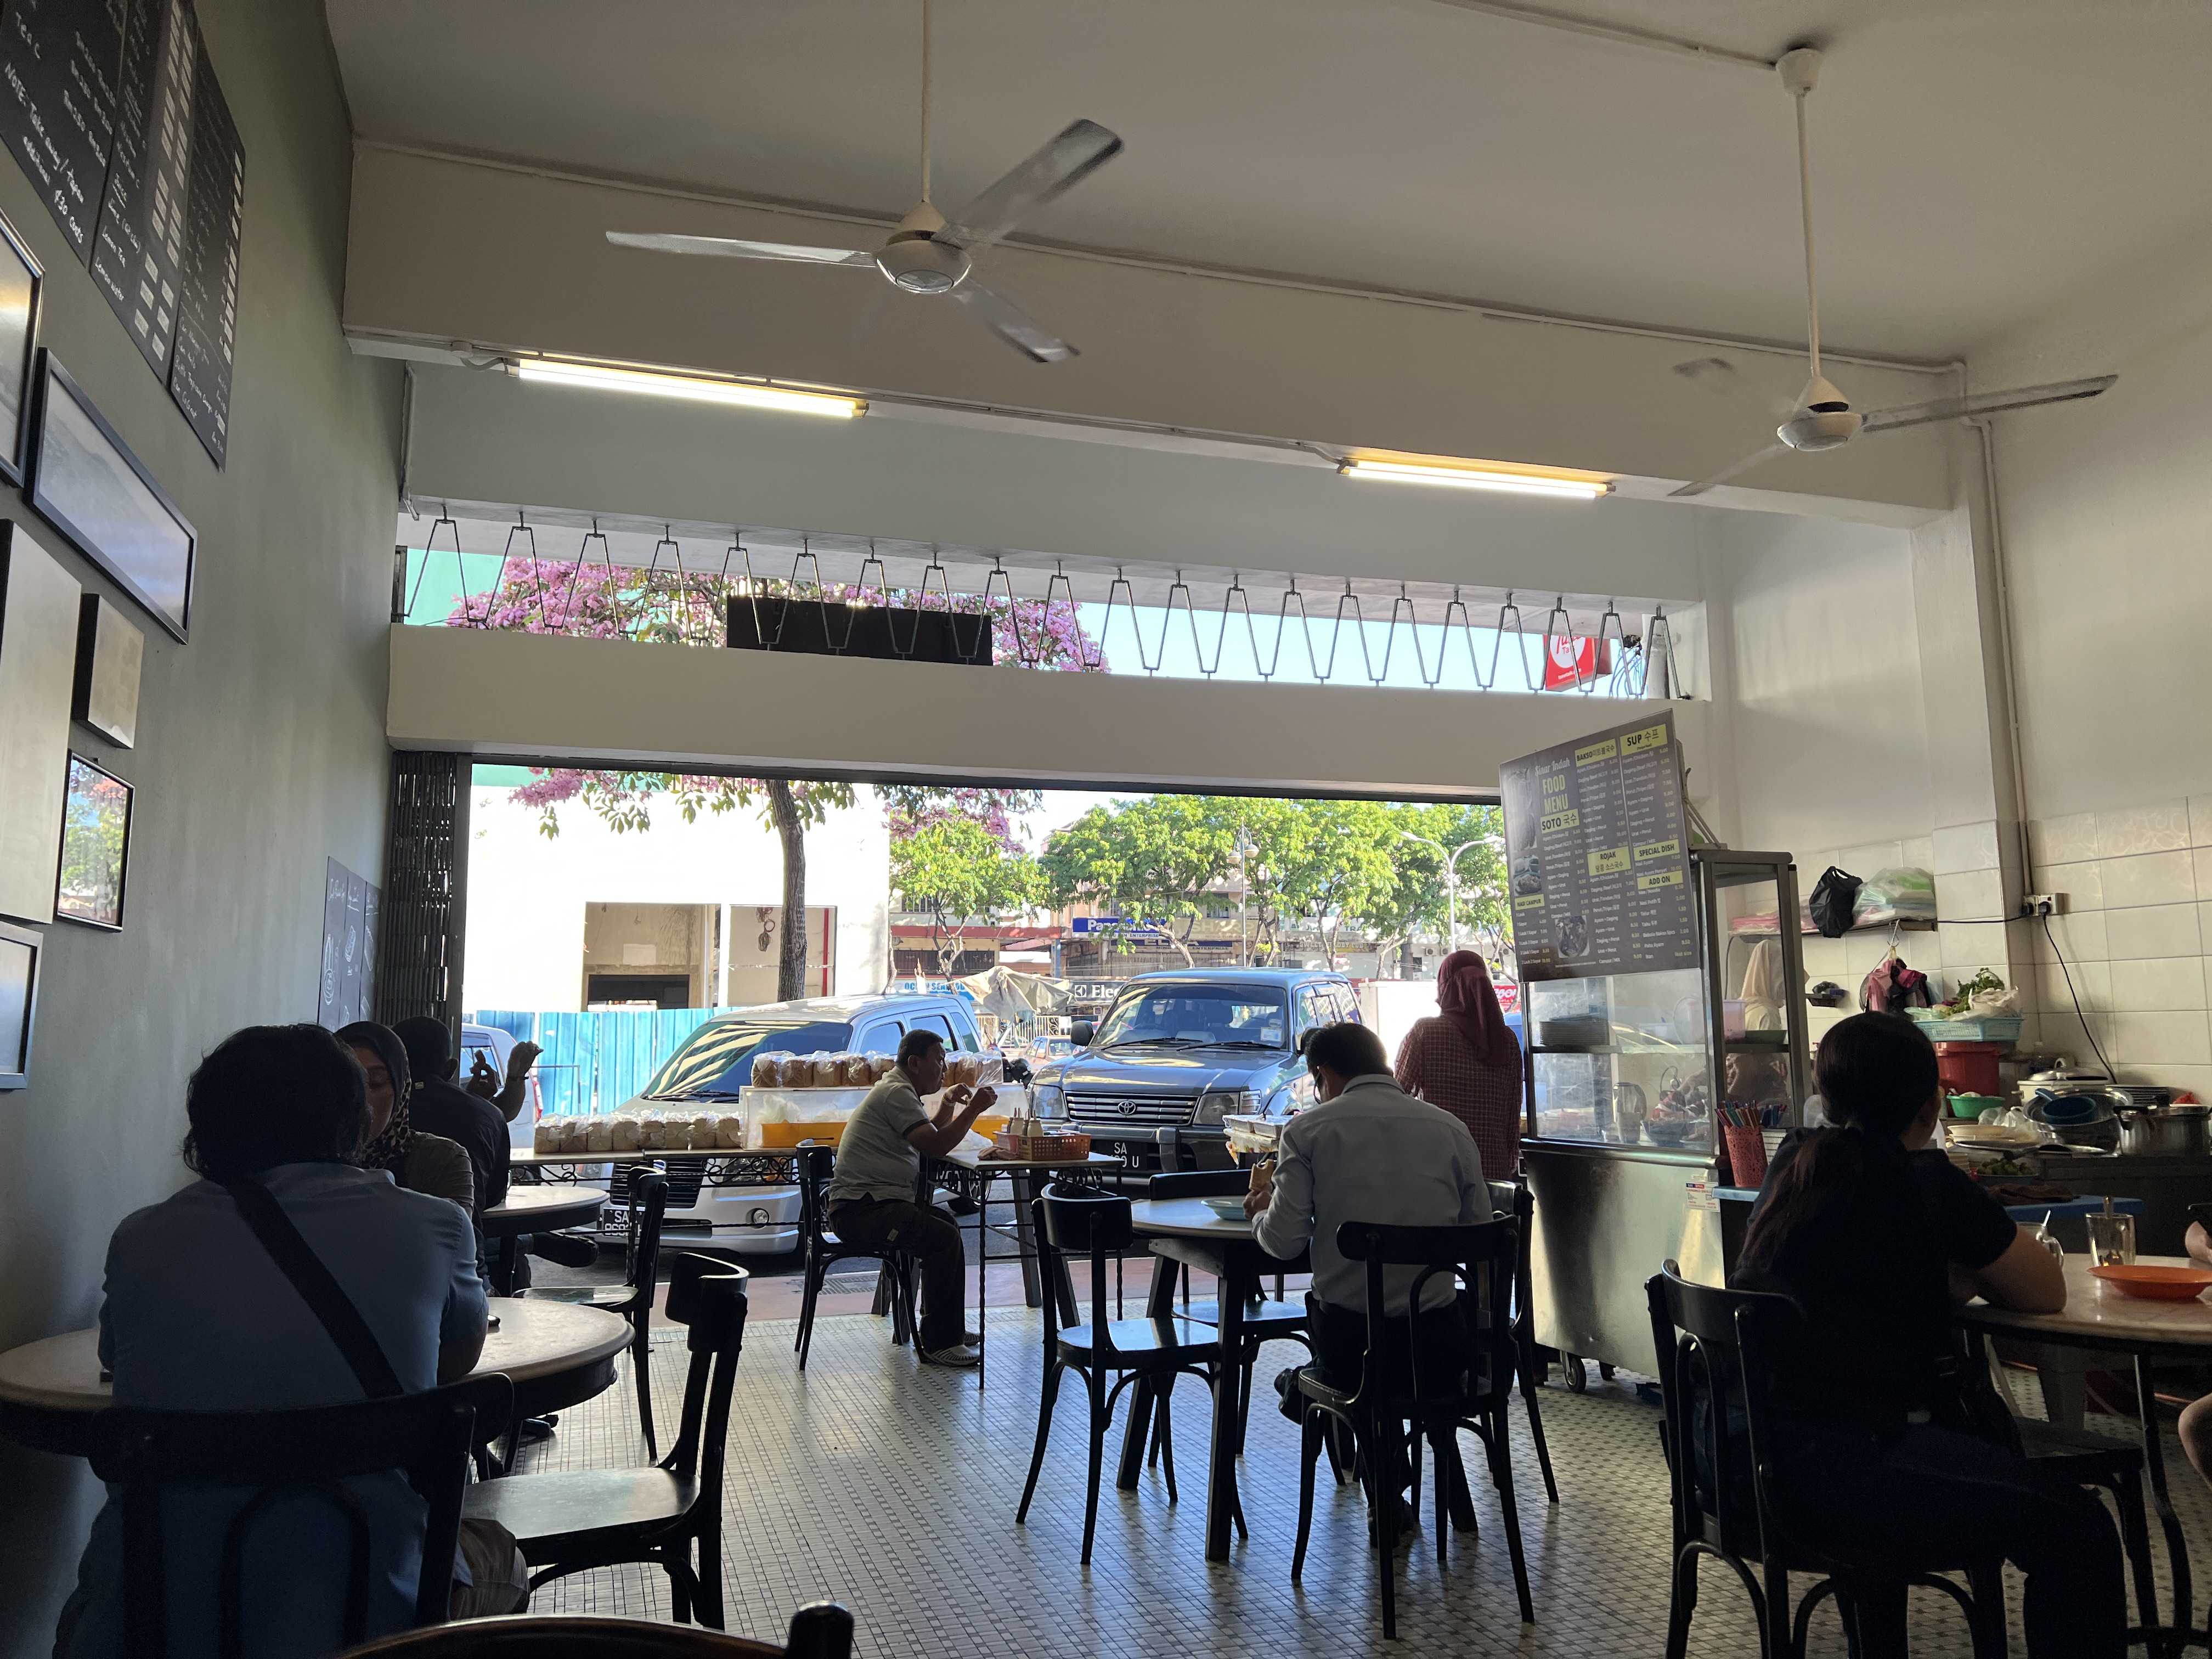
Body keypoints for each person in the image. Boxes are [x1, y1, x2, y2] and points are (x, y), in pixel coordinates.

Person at [56, 1025, 524, 1659]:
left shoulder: (141, 1238)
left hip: (155, 1616)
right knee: (501, 1556)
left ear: (206, 1126)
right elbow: (454, 1362)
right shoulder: (434, 1225)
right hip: (374, 1608)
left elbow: (119, 1362)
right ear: (355, 1119)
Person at [1731, 1012, 2123, 1658]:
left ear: (1825, 1097)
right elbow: (2044, 1291)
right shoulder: (1924, 1180)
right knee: (2078, 1526)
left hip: (1737, 1455)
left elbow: (1849, 1276)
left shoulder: (1793, 1163)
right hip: (1839, 1470)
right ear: (1932, 1104)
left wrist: (1925, 1276)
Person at [1250, 1020, 1488, 1525]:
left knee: (1343, 1341)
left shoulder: (1307, 1131)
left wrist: (1259, 1213)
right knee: (1380, 1344)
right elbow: (1480, 1234)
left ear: (1324, 1073)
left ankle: (1307, 1393)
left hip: (1351, 1348)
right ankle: (1313, 1398)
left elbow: (1283, 1243)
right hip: (1439, 1347)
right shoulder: (1450, 1128)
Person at [825, 1029, 997, 1367]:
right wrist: (973, 1110)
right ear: (915, 1063)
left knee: (947, 1225)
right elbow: (935, 1145)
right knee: (941, 1237)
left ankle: (947, 1327)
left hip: (874, 1204)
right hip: (861, 1211)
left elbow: (926, 1134)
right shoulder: (896, 1093)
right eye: (939, 1060)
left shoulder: (899, 1089)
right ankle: (938, 1342)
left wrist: (948, 1104)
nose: (944, 1068)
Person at [1393, 950, 1523, 1176]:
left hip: (1438, 1170)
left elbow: (1396, 1098)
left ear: (1446, 987)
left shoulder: (1426, 1033)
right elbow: (1512, 1115)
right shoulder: (1508, 1041)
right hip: (1491, 1172)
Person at [336, 1020, 476, 1214]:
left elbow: (455, 1231)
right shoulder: (302, 1157)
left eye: (376, 1083)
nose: (360, 1099)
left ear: (401, 1089)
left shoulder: (441, 1160)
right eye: (346, 1083)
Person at [393, 1017, 511, 1220]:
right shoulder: (489, 1114)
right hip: (465, 1234)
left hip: (387, 1230)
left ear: (392, 1064)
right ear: (451, 1069)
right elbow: (493, 1195)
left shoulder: (383, 1110)